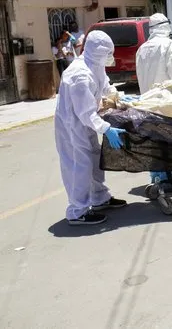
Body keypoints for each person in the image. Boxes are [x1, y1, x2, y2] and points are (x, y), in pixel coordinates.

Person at [55, 31, 128, 225]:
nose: (109, 58)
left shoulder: (94, 65)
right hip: (72, 124)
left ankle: (99, 198)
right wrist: (106, 128)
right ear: (99, 52)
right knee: (80, 164)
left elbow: (104, 85)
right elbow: (85, 113)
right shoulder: (78, 75)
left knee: (95, 157)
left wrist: (117, 95)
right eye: (108, 53)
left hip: (84, 121)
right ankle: (77, 211)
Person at [136, 13, 172, 184]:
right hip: (166, 102)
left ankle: (157, 176)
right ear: (165, 26)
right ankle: (171, 179)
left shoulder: (142, 49)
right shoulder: (168, 45)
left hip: (147, 102)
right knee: (170, 141)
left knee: (155, 141)